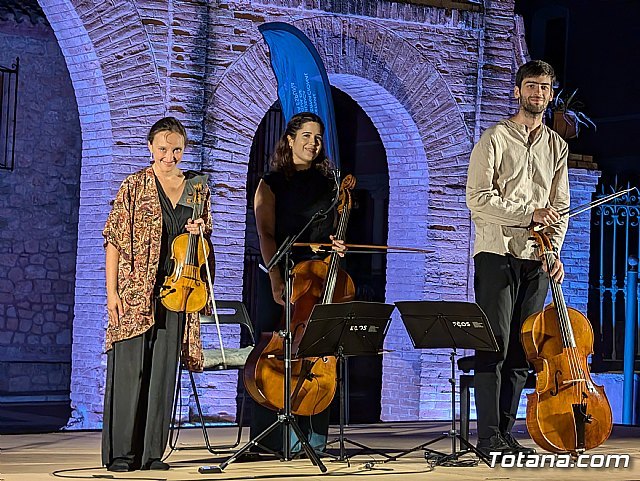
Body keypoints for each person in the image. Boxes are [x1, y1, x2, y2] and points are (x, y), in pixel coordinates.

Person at [466, 60, 570, 458]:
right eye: (531, 86)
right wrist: (527, 216)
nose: (538, 94)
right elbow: (477, 199)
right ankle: (488, 436)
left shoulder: (557, 146)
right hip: (496, 252)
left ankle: (506, 434)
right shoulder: (493, 139)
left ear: (550, 93)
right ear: (517, 91)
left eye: (544, 88)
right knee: (493, 345)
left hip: (536, 258)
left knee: (523, 351)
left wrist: (553, 251)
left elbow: (559, 207)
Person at [101, 117, 213, 472]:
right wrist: (111, 293)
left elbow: (205, 244)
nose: (170, 156)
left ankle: (151, 454)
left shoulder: (197, 188)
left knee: (164, 373)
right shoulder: (134, 185)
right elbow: (113, 240)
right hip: (136, 289)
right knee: (130, 371)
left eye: (177, 149)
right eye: (163, 149)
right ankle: (122, 454)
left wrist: (200, 231)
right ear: (150, 147)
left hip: (179, 290)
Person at [250, 111, 344, 456]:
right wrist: (276, 278)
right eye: (305, 136)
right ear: (289, 140)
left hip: (319, 278)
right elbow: (267, 233)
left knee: (319, 352)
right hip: (283, 273)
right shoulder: (271, 183)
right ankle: (267, 439)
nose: (312, 143)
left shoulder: (329, 185)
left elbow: (330, 231)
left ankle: (313, 437)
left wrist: (337, 244)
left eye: (317, 137)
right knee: (274, 355)